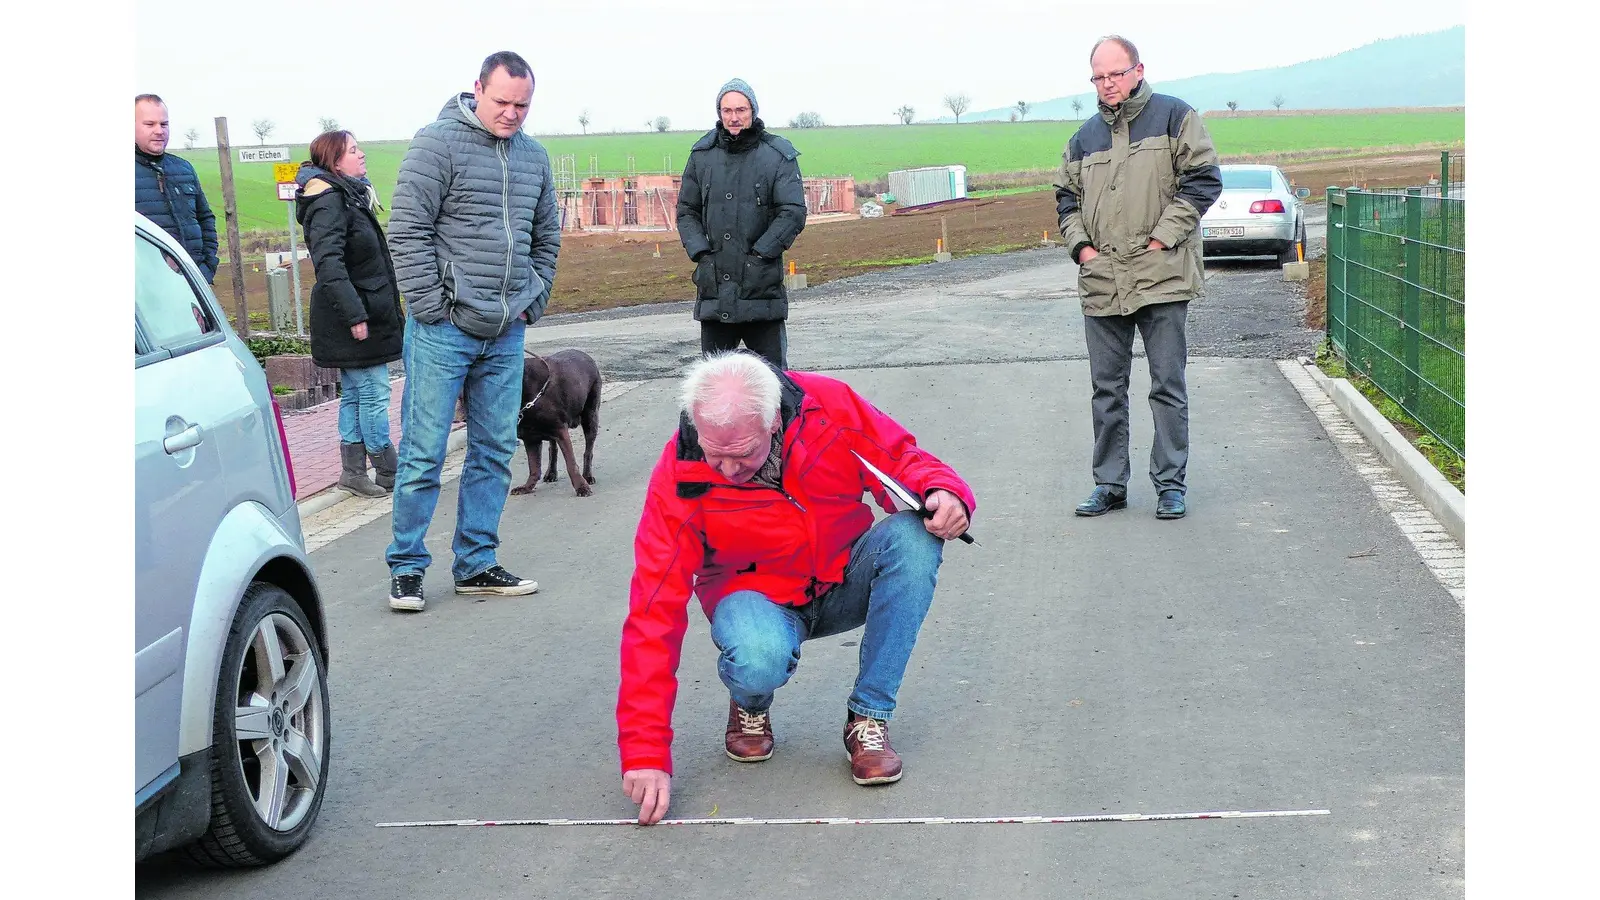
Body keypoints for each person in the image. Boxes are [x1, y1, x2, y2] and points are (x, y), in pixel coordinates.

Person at [616, 350, 976, 825]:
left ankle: (869, 716)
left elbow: (901, 459)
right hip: (752, 598)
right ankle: (750, 701)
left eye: (743, 454)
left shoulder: (827, 406)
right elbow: (652, 609)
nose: (726, 471)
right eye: (713, 453)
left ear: (773, 422)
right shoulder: (679, 474)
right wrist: (645, 752)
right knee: (757, 656)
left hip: (841, 575)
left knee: (913, 537)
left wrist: (943, 491)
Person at [383, 50, 562, 612]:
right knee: (423, 452)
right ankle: (408, 568)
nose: (511, 114)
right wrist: (431, 305)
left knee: (493, 448)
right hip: (444, 329)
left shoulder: (534, 157)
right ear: (477, 89)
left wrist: (533, 299)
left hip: (506, 329)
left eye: (522, 105)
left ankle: (477, 563)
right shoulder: (436, 144)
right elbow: (406, 227)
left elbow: (546, 236)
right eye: (502, 102)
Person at [1053, 36, 1221, 521]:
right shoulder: (1083, 138)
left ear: (1138, 70)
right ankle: (1109, 484)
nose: (1107, 84)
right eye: (1098, 77)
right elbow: (1066, 200)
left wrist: (1161, 240)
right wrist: (1083, 250)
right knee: (1107, 390)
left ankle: (1170, 485)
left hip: (1161, 275)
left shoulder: (1174, 116)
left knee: (1167, 384)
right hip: (1103, 280)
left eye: (1115, 74)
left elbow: (1203, 180)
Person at [294, 131, 404, 499]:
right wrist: (355, 315)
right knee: (373, 392)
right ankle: (388, 468)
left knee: (357, 393)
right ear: (335, 160)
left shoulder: (347, 194)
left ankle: (353, 472)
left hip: (359, 311)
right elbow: (329, 264)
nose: (362, 155)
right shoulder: (329, 201)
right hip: (353, 316)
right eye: (354, 150)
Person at [676, 78, 807, 369]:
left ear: (753, 111)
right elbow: (687, 211)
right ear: (719, 113)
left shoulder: (777, 156)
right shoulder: (701, 157)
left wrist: (760, 254)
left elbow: (793, 212)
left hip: (761, 290)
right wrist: (701, 254)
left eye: (741, 110)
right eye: (727, 110)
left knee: (774, 385)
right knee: (711, 388)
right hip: (714, 292)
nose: (734, 117)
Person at [134, 94, 219, 284]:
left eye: (164, 124)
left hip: (192, 282)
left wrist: (207, 268)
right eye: (150, 124)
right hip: (144, 290)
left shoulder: (184, 169)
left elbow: (205, 219)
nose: (159, 131)